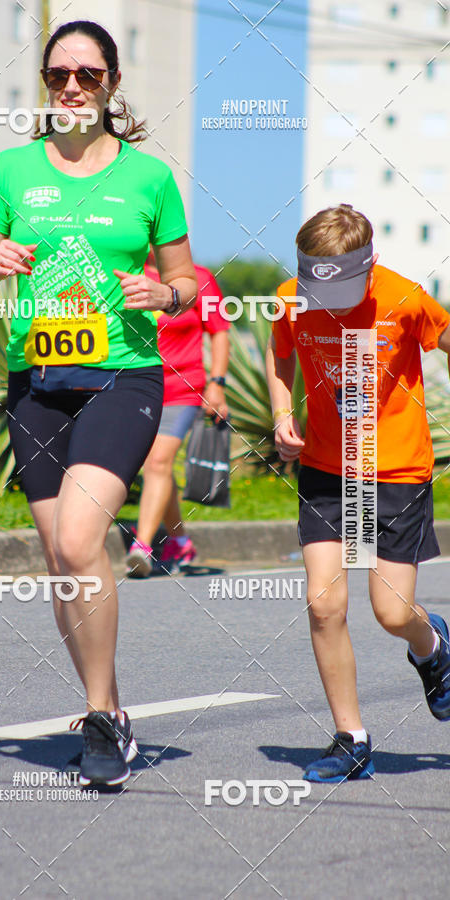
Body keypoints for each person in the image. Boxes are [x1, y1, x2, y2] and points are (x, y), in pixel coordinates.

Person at [0, 20, 197, 786]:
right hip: (36, 383)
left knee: (81, 534)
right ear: (45, 84)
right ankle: (111, 715)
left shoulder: (149, 177)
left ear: (111, 84)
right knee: (63, 559)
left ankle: (98, 717)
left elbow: (187, 281)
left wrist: (163, 294)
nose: (71, 86)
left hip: (123, 377)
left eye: (87, 74)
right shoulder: (11, 169)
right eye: (58, 74)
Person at [266, 203, 450, 783]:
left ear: (369, 266)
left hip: (394, 472)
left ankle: (432, 646)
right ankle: (352, 739)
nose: (330, 303)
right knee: (324, 604)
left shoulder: (405, 298)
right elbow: (280, 351)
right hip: (327, 469)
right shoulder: (290, 299)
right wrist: (281, 414)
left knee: (392, 613)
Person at [126, 258, 229, 577]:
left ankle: (142, 546)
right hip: (135, 386)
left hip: (183, 388)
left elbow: (220, 332)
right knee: (157, 466)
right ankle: (180, 541)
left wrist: (217, 383)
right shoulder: (127, 273)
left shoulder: (199, 278)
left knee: (157, 462)